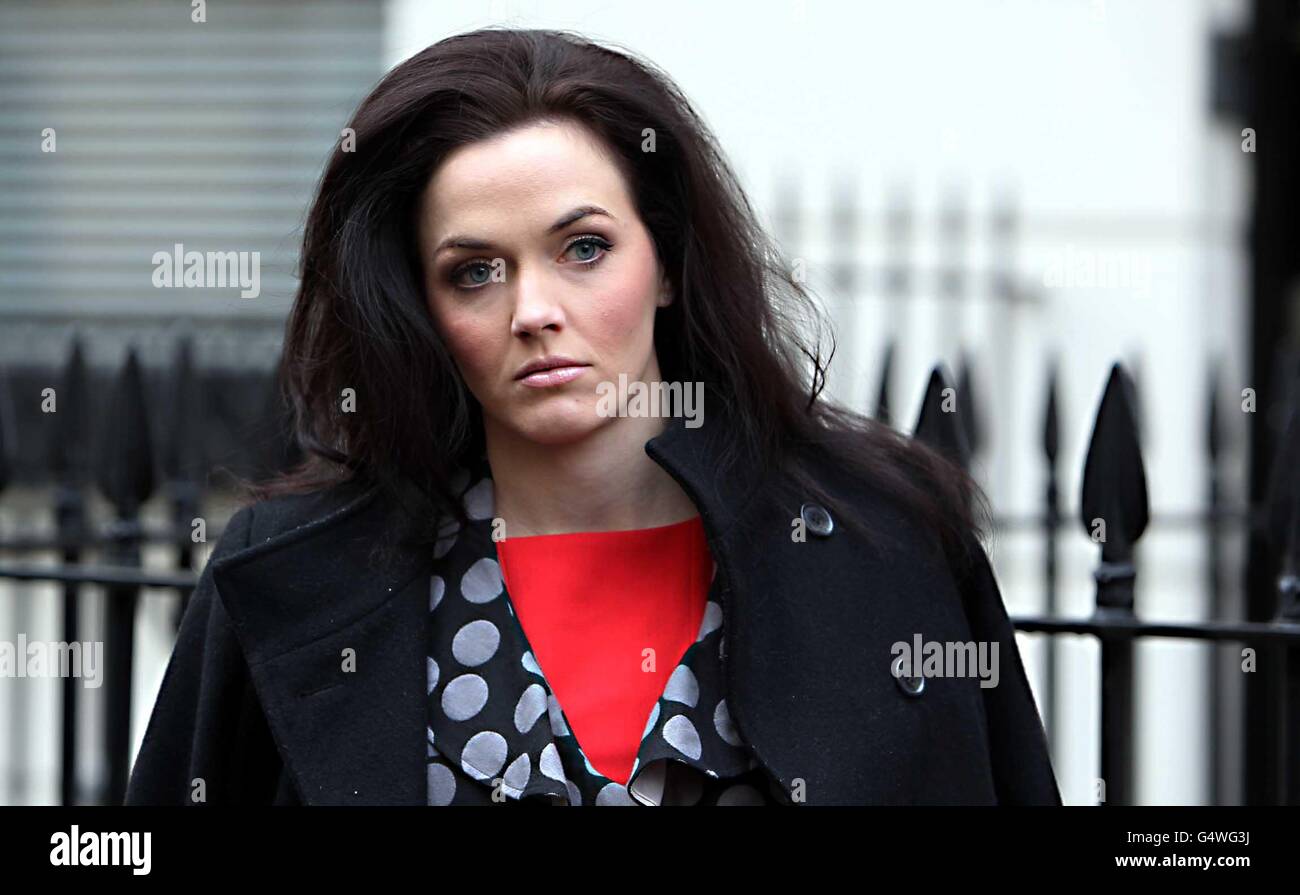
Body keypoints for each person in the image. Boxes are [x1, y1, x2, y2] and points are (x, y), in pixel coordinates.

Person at [125, 27, 1060, 806]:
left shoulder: (884, 548)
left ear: (668, 265)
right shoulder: (291, 577)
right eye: (474, 270)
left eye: (583, 247)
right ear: (424, 309)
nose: (533, 308)